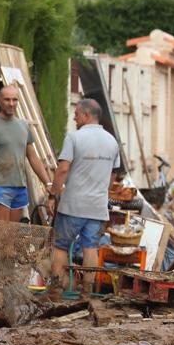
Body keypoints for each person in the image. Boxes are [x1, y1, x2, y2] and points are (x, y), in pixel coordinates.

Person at [47, 98, 121, 293]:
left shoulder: (74, 138)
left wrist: (53, 194)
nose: (74, 117)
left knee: (61, 246)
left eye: (77, 114)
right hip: (97, 207)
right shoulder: (112, 141)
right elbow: (113, 174)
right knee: (91, 247)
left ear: (87, 115)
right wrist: (102, 192)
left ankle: (57, 289)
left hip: (73, 205)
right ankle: (87, 291)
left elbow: (63, 169)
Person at [0, 84, 52, 222]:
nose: (11, 103)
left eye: (14, 100)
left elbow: (33, 158)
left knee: (12, 236)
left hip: (20, 187)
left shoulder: (23, 126)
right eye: (7, 100)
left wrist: (47, 183)